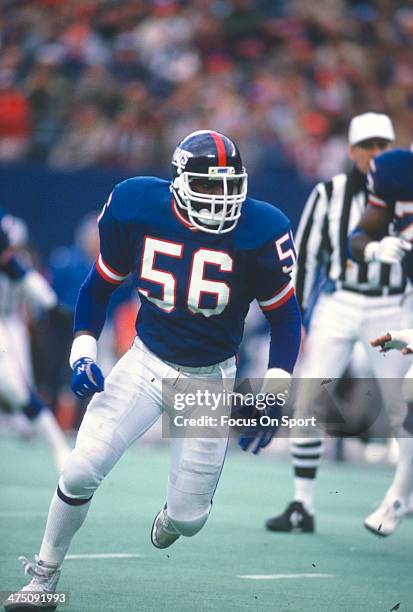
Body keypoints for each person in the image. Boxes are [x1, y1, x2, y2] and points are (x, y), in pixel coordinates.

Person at [4, 130, 302, 611]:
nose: (222, 200)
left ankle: (171, 517)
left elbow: (286, 318)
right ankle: (43, 579)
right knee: (81, 469)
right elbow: (99, 286)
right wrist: (82, 351)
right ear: (179, 182)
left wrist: (275, 391)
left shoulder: (262, 229)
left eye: (230, 187)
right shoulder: (137, 205)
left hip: (208, 378)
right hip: (145, 361)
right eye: (209, 187)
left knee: (190, 519)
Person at [265, 112, 411, 535]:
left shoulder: (403, 186)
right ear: (352, 151)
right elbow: (307, 256)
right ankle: (302, 503)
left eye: (385, 145)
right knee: (311, 395)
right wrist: (299, 318)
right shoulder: (328, 193)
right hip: (340, 302)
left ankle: (403, 492)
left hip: (392, 306)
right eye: (370, 146)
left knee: (403, 404)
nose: (378, 153)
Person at [349, 146, 413, 535]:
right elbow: (360, 234)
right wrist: (373, 248)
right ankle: (400, 496)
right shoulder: (395, 170)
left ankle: (399, 496)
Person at [0, 209, 70, 472]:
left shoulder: (9, 258)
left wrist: (52, 306)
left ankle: (58, 447)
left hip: (7, 321)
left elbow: (23, 276)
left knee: (15, 388)